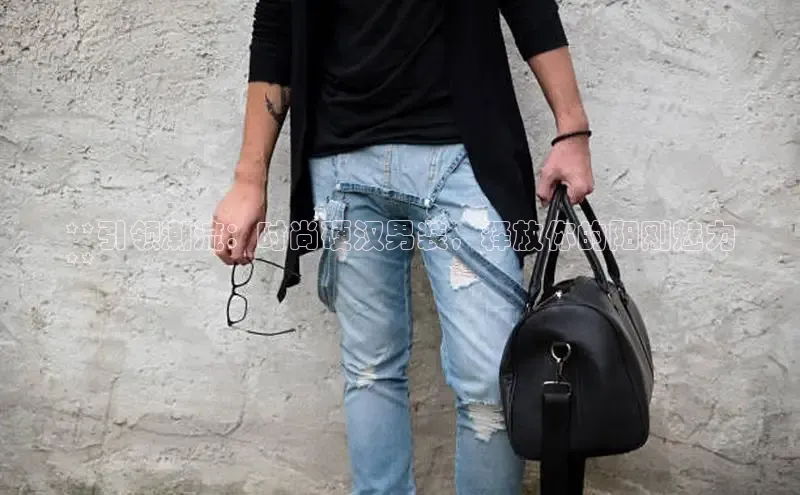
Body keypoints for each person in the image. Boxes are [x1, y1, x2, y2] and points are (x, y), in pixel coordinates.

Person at [213, 0, 594, 493]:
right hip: (343, 166)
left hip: (462, 159)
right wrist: (249, 178)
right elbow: (277, 26)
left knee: (490, 382)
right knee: (370, 373)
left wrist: (572, 130)